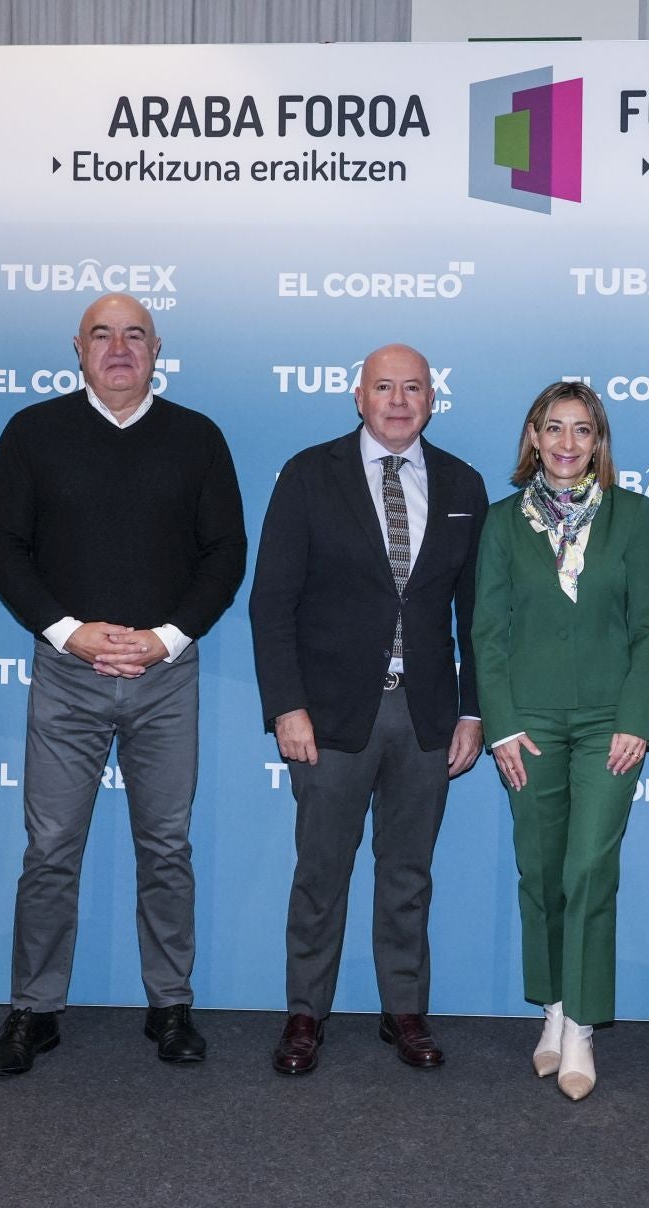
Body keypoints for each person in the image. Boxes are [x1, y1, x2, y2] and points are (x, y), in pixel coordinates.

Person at [0, 293, 247, 1076]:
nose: (119, 347)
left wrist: (163, 639)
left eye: (135, 334)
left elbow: (224, 552)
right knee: (51, 849)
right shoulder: (33, 433)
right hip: (66, 674)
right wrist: (71, 632)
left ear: (158, 348)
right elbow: (4, 545)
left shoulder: (198, 438)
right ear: (78, 348)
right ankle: (34, 1010)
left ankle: (170, 1006)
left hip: (167, 674)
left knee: (165, 846)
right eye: (103, 334)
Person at [250, 343, 487, 1075]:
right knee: (321, 871)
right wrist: (286, 706)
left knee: (408, 872)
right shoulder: (308, 474)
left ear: (431, 398)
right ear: (358, 396)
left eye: (412, 387)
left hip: (425, 716)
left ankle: (404, 1011)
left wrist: (474, 711)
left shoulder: (461, 483)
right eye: (383, 386)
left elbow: (479, 614)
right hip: (330, 717)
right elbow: (272, 601)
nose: (397, 399)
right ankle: (303, 1013)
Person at [473, 381, 649, 1101]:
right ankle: (551, 1009)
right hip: (531, 723)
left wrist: (637, 719)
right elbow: (488, 633)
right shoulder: (500, 522)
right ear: (533, 437)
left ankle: (581, 1024)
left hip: (608, 722)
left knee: (589, 867)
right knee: (540, 868)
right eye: (553, 429)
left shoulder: (633, 516)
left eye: (582, 431)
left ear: (598, 443)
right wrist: (502, 726)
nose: (566, 443)